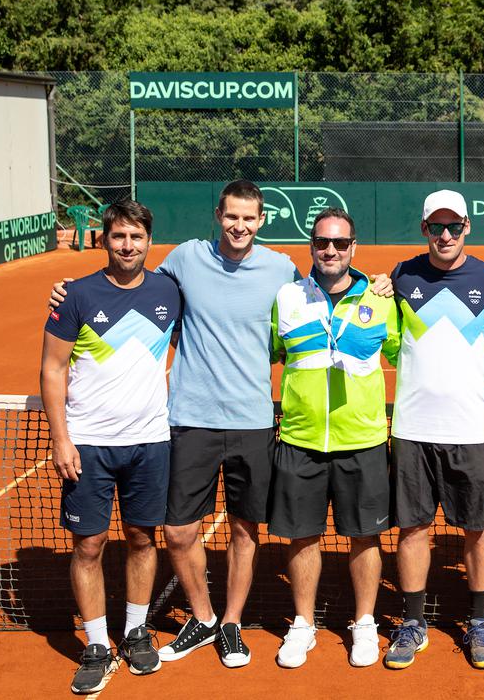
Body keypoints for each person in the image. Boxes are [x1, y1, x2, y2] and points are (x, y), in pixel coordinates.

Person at [50, 180, 390, 668]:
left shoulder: (281, 270)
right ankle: (203, 616)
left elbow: (328, 286)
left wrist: (377, 281)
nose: (239, 226)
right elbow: (129, 277)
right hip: (190, 419)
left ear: (262, 220)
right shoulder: (186, 259)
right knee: (178, 531)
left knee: (244, 530)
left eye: (249, 218)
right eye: (232, 216)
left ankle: (230, 623)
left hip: (252, 421)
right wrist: (73, 290)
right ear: (218, 215)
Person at [41, 201, 181, 693]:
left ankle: (137, 630)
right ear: (104, 239)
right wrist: (61, 438)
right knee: (89, 544)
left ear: (149, 242)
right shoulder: (75, 295)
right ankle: (98, 642)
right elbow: (53, 369)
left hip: (150, 441)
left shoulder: (168, 290)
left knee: (143, 539)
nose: (127, 246)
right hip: (90, 445)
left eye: (137, 237)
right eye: (119, 236)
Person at [267, 207, 399, 669]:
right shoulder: (286, 297)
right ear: (311, 247)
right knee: (302, 537)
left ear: (353, 248)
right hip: (301, 438)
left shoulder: (383, 300)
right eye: (323, 242)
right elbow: (271, 351)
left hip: (361, 440)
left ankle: (365, 623)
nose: (331, 251)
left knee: (365, 537)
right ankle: (303, 624)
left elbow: (410, 355)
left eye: (340, 244)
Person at [382, 190, 484, 670]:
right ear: (425, 230)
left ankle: (479, 621)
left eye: (454, 225)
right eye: (437, 226)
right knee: (413, 528)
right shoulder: (402, 275)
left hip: (472, 427)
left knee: (478, 528)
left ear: (467, 227)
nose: (446, 235)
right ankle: (413, 622)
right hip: (413, 427)